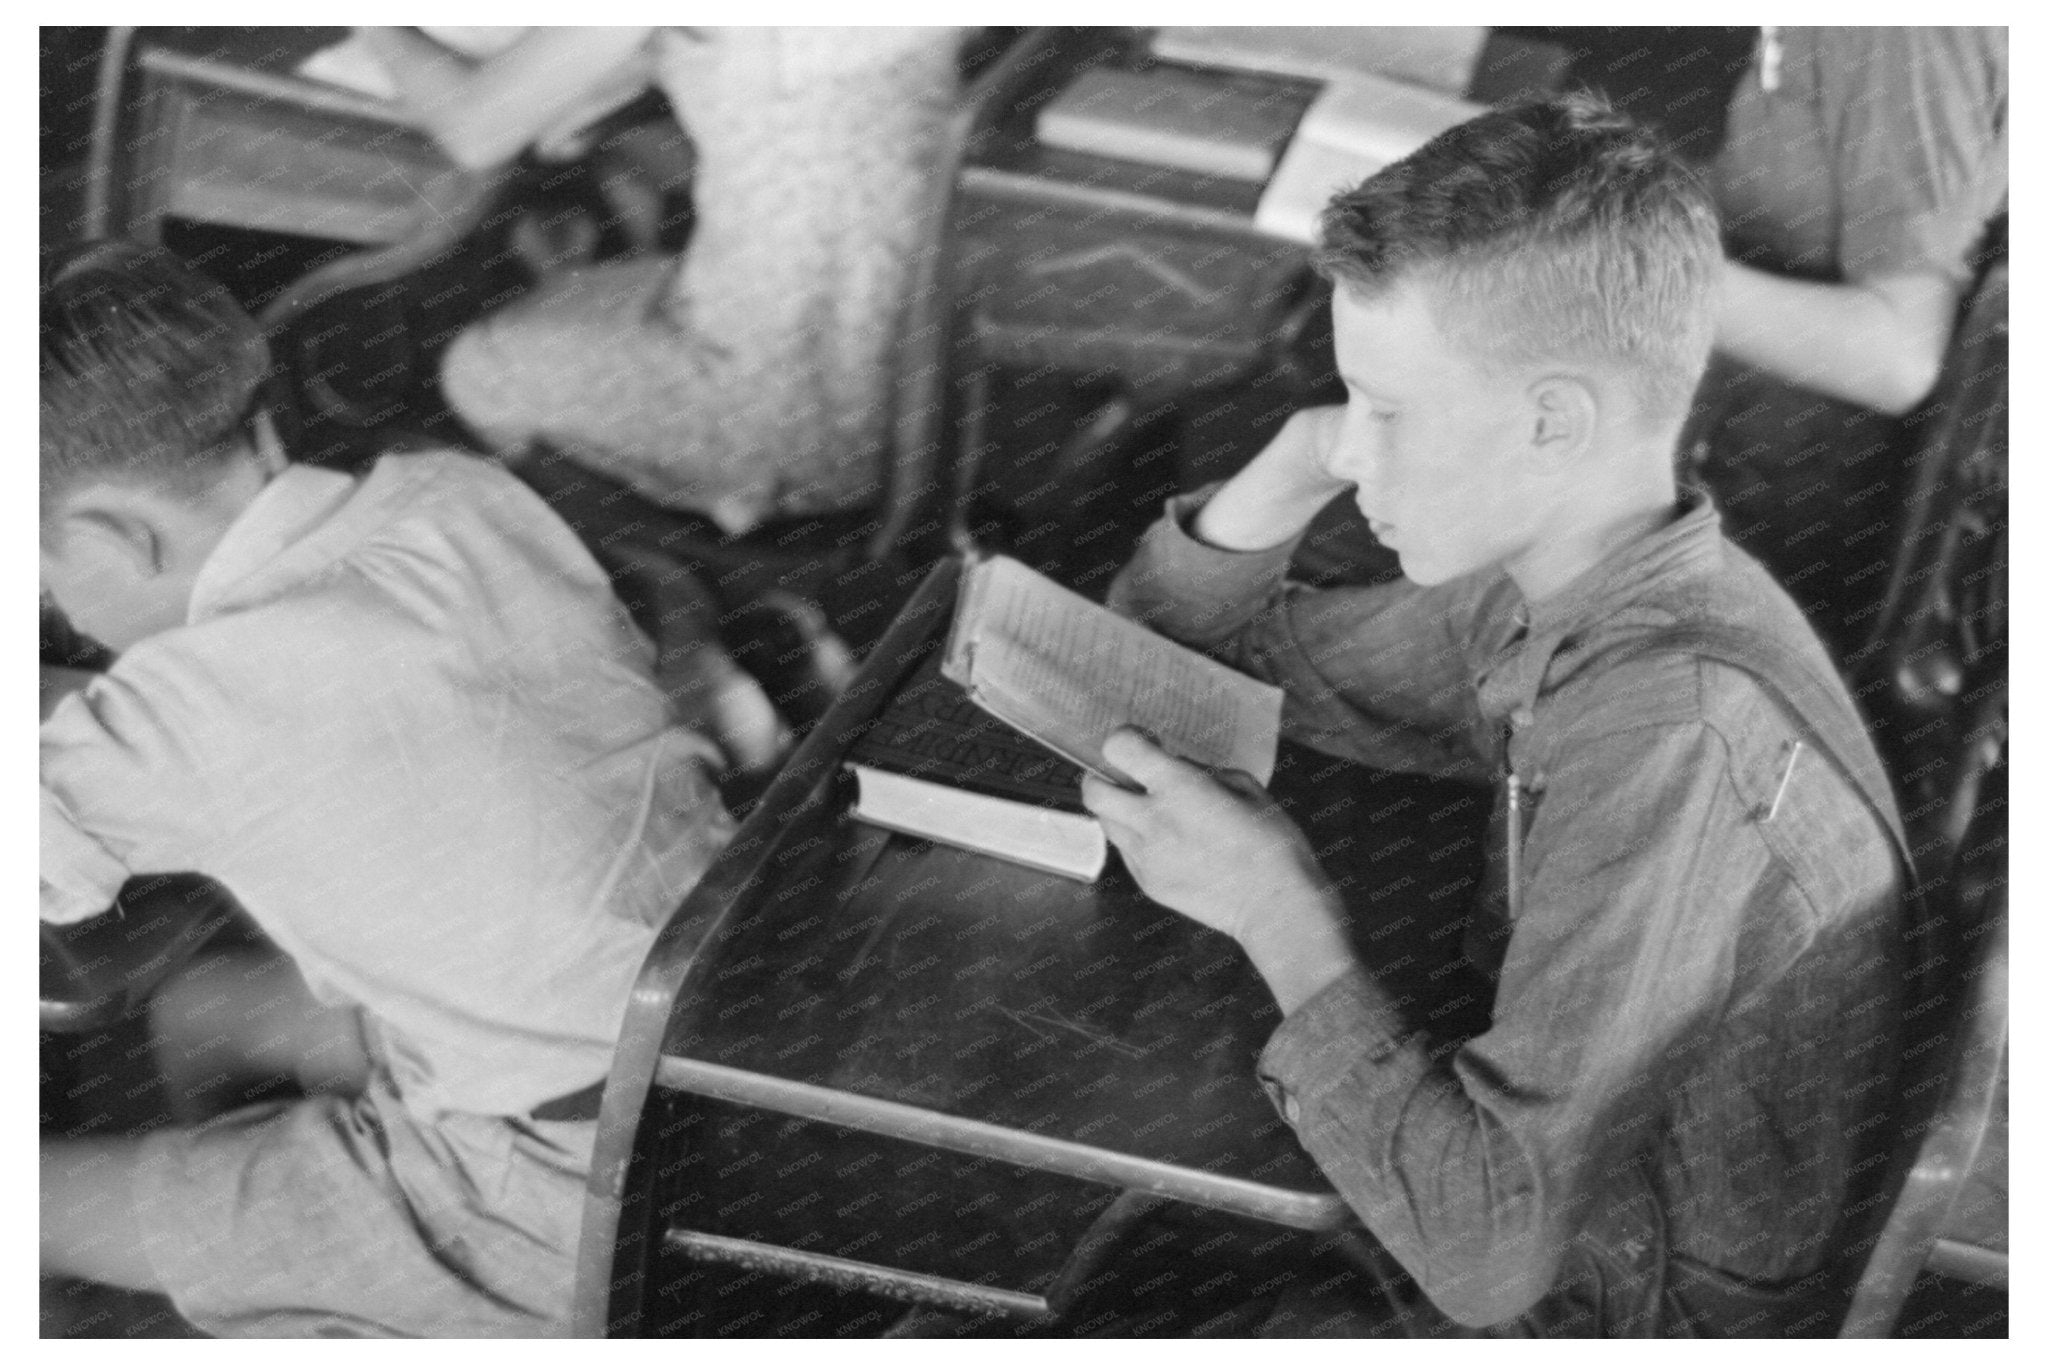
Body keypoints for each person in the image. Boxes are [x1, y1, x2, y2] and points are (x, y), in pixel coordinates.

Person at [1083, 94, 1914, 1336]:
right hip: (1558, 1205)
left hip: (1623, 1305)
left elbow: (1485, 1261)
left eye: (1387, 410)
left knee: (1094, 1244)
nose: (1357, 455)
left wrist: (1276, 911)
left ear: (1551, 422)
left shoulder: (1669, 731)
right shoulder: (1558, 572)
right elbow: (1180, 660)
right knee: (1117, 1241)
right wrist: (1303, 451)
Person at [38, 242, 738, 1336]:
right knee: (196, 1007)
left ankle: (291, 1285)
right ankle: (278, 1275)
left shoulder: (195, 710)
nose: (59, 617)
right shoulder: (458, 495)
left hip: (555, 1201)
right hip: (707, 1063)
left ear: (110, 536)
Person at [359, 25, 965, 535]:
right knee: (578, 256)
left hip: (782, 425)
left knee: (474, 365)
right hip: (918, 383)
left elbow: (473, 132)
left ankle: (636, 571)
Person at [1690, 26, 2008, 652]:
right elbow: (1778, 194)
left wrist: (1631, 269)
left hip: (1780, 507)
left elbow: (1898, 355)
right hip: (1737, 449)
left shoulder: (1905, 34)